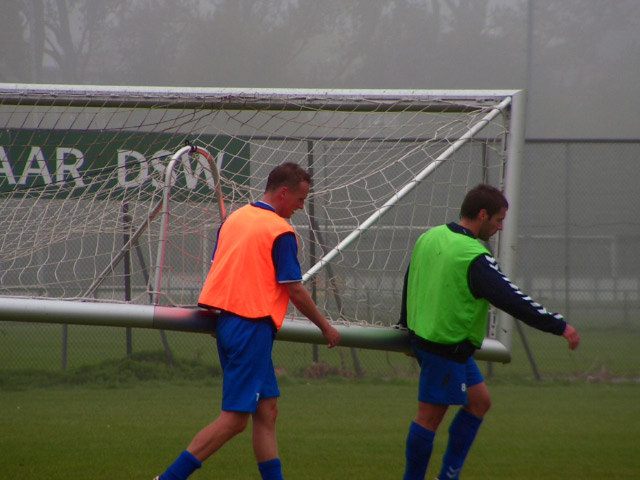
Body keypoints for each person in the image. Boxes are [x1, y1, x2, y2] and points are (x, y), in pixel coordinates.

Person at [155, 162, 341, 480]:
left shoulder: (235, 218)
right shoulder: (280, 231)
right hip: (251, 327)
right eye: (300, 199)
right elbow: (294, 289)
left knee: (267, 411)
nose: (300, 207)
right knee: (235, 420)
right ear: (283, 193)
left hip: (229, 323)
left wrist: (219, 318)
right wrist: (325, 326)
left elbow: (220, 269)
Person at [400, 184, 580, 480]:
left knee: (480, 402)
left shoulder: (430, 236)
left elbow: (411, 279)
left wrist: (406, 326)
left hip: (441, 343)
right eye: (499, 220)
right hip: (444, 347)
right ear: (482, 215)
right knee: (429, 418)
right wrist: (559, 325)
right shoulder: (473, 256)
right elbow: (511, 298)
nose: (500, 227)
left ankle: (448, 476)